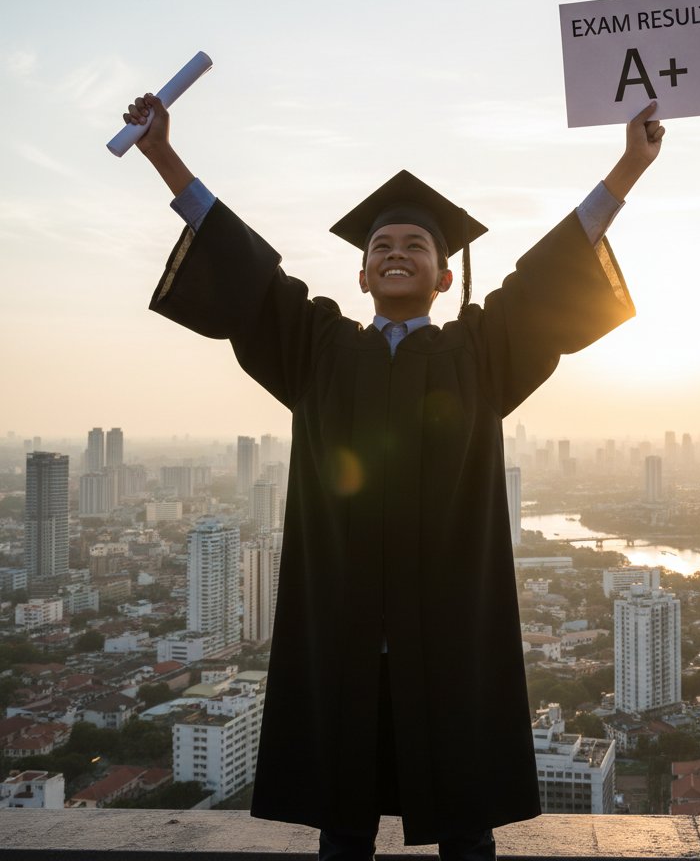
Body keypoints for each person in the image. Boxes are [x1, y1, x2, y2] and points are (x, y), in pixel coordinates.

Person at [123, 93, 664, 860]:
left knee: (464, 823)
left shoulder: (477, 355)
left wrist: (628, 167)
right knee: (342, 828)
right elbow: (246, 268)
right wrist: (163, 156)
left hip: (449, 632)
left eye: (416, 243)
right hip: (341, 630)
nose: (397, 251)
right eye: (382, 244)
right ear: (363, 272)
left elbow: (545, 279)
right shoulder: (318, 349)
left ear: (445, 276)